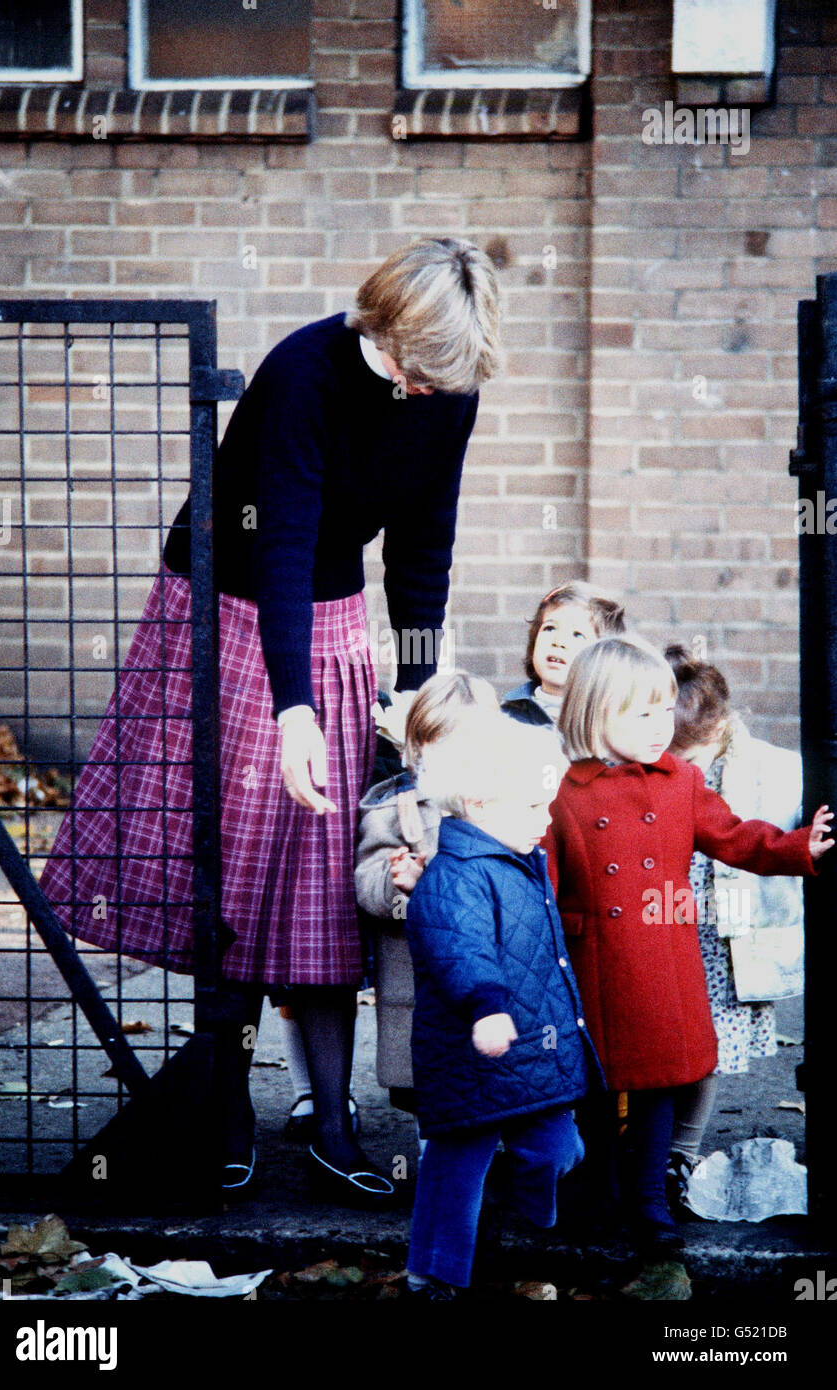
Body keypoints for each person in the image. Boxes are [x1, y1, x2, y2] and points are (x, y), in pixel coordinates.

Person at [38, 236, 500, 1200]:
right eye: (416, 371)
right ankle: (223, 1110)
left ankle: (333, 1125)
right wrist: (294, 708)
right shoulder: (304, 374)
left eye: (442, 381)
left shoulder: (446, 387)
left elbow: (423, 545)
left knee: (325, 877)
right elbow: (281, 543)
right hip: (228, 603)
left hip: (324, 610)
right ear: (388, 326)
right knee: (238, 868)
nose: (424, 393)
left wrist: (415, 688)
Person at [542, 637, 833, 1250]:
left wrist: (796, 846)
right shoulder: (566, 792)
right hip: (592, 962)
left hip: (661, 959)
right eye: (641, 713)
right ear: (594, 713)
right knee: (594, 1090)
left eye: (665, 709)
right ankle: (597, 1198)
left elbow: (734, 836)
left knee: (656, 1086)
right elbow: (542, 879)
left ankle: (648, 1202)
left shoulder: (681, 782)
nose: (661, 726)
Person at [403, 717, 600, 1298]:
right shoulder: (455, 877)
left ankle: (509, 1211)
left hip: (531, 1054)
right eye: (536, 805)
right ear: (480, 802)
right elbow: (460, 949)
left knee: (558, 1148)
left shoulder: (519, 861)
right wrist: (486, 1007)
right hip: (470, 1052)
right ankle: (434, 1272)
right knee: (454, 1169)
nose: (547, 819)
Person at [662, 644, 807, 1203]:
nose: (681, 769)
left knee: (706, 1050)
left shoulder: (769, 771)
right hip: (667, 928)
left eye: (690, 756)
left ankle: (682, 1150)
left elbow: (777, 834)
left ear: (719, 726)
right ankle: (640, 1141)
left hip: (723, 944)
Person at [354, 670, 500, 1116]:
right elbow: (367, 881)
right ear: (413, 750)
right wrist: (397, 881)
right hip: (418, 974)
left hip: (488, 967)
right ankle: (436, 1166)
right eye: (437, 744)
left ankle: (490, 1154)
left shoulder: (502, 806)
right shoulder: (396, 808)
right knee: (429, 1085)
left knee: (492, 1071)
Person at [501, 580, 625, 790]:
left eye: (577, 635)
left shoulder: (613, 722)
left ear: (603, 657)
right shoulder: (507, 716)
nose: (558, 642)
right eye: (549, 628)